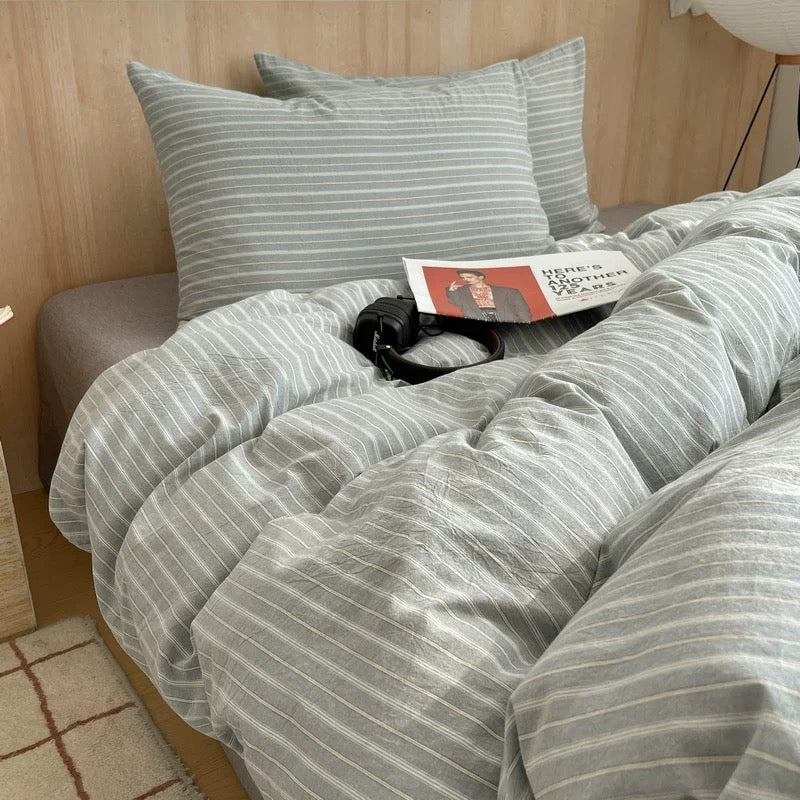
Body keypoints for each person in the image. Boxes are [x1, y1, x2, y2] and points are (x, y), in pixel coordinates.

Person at [445, 270, 532, 323]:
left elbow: (522, 309)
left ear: (481, 277)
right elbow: (457, 304)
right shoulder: (461, 291)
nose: (466, 280)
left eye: (469, 277)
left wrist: (524, 324)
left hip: (510, 325)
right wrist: (451, 291)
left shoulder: (509, 291)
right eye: (463, 278)